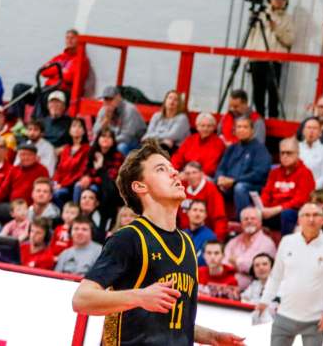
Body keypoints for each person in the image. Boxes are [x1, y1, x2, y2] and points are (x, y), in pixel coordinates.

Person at [72, 139, 244, 346]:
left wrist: (210, 337)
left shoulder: (187, 243)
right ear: (140, 186)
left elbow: (169, 320)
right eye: (162, 169)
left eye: (173, 168)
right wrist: (140, 297)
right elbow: (81, 299)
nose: (174, 173)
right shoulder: (129, 238)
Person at [257, 202, 323, 346]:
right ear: (299, 220)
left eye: (316, 215)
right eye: (306, 215)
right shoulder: (287, 242)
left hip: (315, 321)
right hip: (284, 315)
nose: (311, 219)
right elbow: (276, 276)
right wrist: (264, 300)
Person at [9, 29, 90, 119]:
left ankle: (37, 124)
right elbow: (43, 71)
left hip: (64, 92)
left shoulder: (82, 60)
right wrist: (60, 70)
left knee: (44, 93)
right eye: (67, 38)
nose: (69, 40)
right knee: (19, 88)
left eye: (73, 38)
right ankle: (18, 122)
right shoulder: (59, 57)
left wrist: (55, 70)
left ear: (78, 41)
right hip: (47, 88)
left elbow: (70, 77)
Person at [246, 0, 295, 119]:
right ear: (270, 0)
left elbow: (289, 40)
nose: (278, 1)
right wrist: (248, 57)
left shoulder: (288, 19)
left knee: (273, 90)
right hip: (257, 58)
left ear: (285, 1)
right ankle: (259, 117)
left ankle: (273, 117)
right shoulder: (261, 15)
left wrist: (276, 29)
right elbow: (251, 35)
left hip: (275, 59)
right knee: (258, 90)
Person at [215, 116, 272, 217]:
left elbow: (259, 174)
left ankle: (243, 221)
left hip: (251, 186)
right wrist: (220, 178)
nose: (241, 130)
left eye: (245, 127)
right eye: (239, 127)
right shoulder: (232, 148)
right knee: (208, 183)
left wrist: (234, 181)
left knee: (240, 188)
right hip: (228, 185)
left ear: (252, 130)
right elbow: (221, 168)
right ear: (235, 130)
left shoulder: (260, 149)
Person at [260, 137, 316, 235]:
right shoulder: (274, 172)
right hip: (272, 211)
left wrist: (276, 209)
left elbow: (300, 200)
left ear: (298, 154)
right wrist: (262, 207)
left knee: (287, 214)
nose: (285, 156)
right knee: (251, 213)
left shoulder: (305, 173)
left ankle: (285, 244)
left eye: (289, 153)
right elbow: (266, 192)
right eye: (282, 153)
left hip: (293, 213)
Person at [224, 206, 277, 289]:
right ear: (241, 223)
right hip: (228, 284)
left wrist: (237, 261)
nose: (249, 221)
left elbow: (254, 269)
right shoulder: (233, 242)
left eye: (253, 219)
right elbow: (224, 263)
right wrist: (242, 266)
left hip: (255, 289)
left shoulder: (267, 243)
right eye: (246, 219)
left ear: (260, 222)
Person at [178, 161, 228, 240]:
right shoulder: (181, 188)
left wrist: (216, 240)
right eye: (188, 173)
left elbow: (220, 219)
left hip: (205, 236)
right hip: (185, 234)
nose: (191, 176)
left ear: (201, 173)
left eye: (194, 173)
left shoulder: (211, 190)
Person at [92, 86, 147, 155]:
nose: (107, 102)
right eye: (106, 99)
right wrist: (104, 122)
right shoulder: (103, 110)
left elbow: (127, 136)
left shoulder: (129, 109)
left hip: (136, 141)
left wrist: (110, 142)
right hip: (112, 140)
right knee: (92, 145)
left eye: (110, 99)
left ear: (118, 98)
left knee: (120, 147)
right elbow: (95, 132)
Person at [172, 112, 225, 178]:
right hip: (184, 172)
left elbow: (210, 167)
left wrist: (190, 174)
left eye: (209, 126)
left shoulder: (218, 143)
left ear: (214, 127)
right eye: (202, 126)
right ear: (197, 127)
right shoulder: (190, 139)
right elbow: (178, 156)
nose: (205, 129)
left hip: (204, 176)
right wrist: (175, 171)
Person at [52, 117, 91, 206]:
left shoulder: (87, 149)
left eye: (80, 126)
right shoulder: (66, 149)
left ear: (84, 131)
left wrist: (62, 185)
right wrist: (55, 182)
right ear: (69, 130)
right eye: (74, 126)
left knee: (58, 194)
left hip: (73, 184)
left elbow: (81, 171)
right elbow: (59, 169)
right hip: (62, 183)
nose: (76, 129)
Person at [299, 117, 323, 190]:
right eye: (308, 128)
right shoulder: (296, 147)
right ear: (303, 131)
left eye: (315, 128)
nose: (311, 131)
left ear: (320, 133)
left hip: (315, 192)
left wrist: (308, 188)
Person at [183, 200, 217, 266]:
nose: (198, 214)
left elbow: (203, 262)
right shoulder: (182, 234)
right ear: (188, 212)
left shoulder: (210, 237)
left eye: (201, 211)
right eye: (195, 210)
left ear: (205, 215)